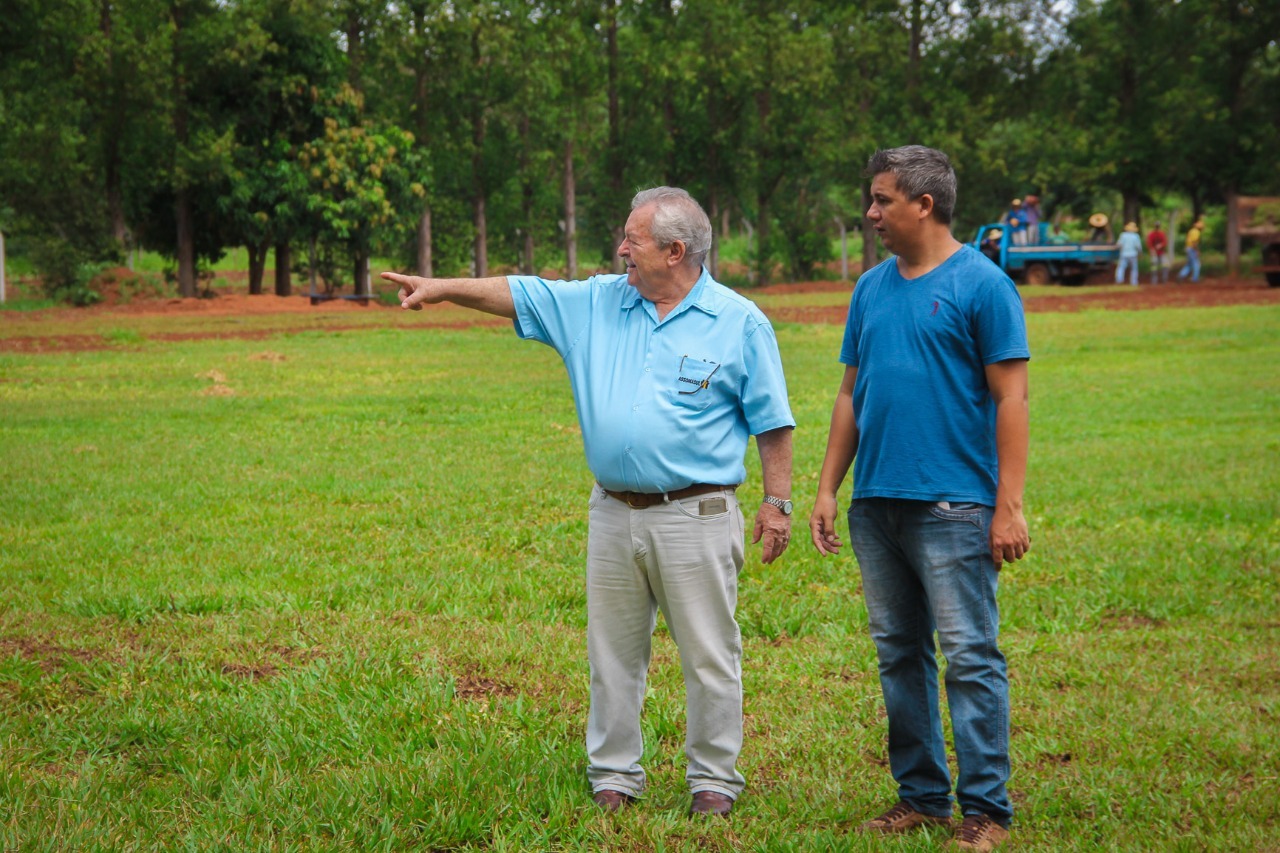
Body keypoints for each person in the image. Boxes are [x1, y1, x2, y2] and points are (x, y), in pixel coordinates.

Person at [382, 187, 796, 819]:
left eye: (633, 239)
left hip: (698, 512)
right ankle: (614, 775)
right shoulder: (600, 302)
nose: (620, 249)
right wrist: (439, 287)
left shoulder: (740, 322)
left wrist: (778, 503)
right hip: (612, 513)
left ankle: (713, 780)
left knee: (711, 655)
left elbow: (772, 422)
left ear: (676, 251)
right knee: (613, 653)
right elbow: (518, 292)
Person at [810, 145, 1029, 852]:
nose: (870, 213)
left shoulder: (983, 285)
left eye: (881, 200)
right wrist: (826, 489)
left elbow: (1011, 396)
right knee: (899, 652)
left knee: (969, 656)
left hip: (954, 505)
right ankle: (923, 795)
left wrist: (1008, 504)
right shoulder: (870, 288)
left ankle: (986, 808)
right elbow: (850, 393)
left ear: (923, 205)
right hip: (877, 505)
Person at [1116, 222, 1142, 286]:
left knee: (1121, 267)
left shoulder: (1123, 235)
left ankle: (1119, 280)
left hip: (1124, 254)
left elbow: (1119, 245)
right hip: (1133, 254)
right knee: (1134, 268)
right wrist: (1140, 253)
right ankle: (1134, 282)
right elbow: (1138, 246)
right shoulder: (1135, 236)